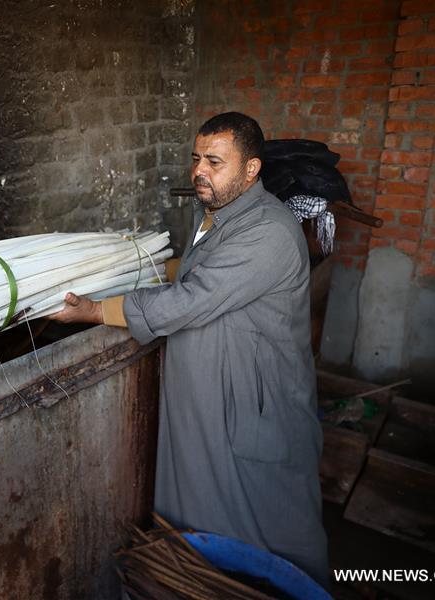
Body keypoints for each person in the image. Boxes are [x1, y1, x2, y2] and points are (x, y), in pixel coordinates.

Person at [48, 112, 329, 586]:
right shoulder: (217, 214)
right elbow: (199, 269)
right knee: (202, 497)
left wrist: (95, 311)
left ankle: (280, 586)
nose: (199, 170)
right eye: (197, 158)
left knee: (264, 511)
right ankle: (202, 580)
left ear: (251, 169)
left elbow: (193, 299)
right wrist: (140, 268)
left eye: (215, 162)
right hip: (211, 393)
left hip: (250, 401)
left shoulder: (269, 231)